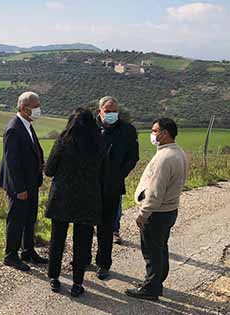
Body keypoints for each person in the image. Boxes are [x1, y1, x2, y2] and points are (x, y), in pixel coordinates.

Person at [45, 108, 106, 297]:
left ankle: (54, 277)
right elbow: (103, 172)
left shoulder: (62, 143)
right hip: (87, 198)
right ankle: (77, 282)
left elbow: (49, 170)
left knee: (57, 240)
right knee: (83, 242)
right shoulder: (99, 144)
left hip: (62, 197)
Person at [126, 118, 188, 301]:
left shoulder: (164, 158)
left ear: (165, 133)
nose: (152, 134)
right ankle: (156, 281)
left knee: (152, 251)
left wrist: (143, 214)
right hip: (170, 210)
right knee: (161, 248)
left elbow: (154, 193)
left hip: (157, 212)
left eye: (155, 131)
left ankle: (151, 289)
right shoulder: (178, 153)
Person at [0, 91, 47, 271]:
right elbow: (12, 163)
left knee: (29, 218)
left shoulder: (26, 124)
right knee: (16, 220)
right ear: (24, 108)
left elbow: (32, 151)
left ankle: (28, 250)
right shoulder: (14, 129)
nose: (39, 109)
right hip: (20, 186)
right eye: (36, 106)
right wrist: (19, 189)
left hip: (31, 182)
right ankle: (11, 255)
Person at [94, 96, 139, 280]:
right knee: (85, 225)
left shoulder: (127, 130)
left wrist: (119, 174)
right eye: (107, 111)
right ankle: (83, 259)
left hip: (112, 187)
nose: (111, 114)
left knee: (106, 228)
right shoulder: (90, 128)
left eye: (114, 111)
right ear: (100, 111)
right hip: (90, 186)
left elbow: (132, 156)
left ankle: (103, 264)